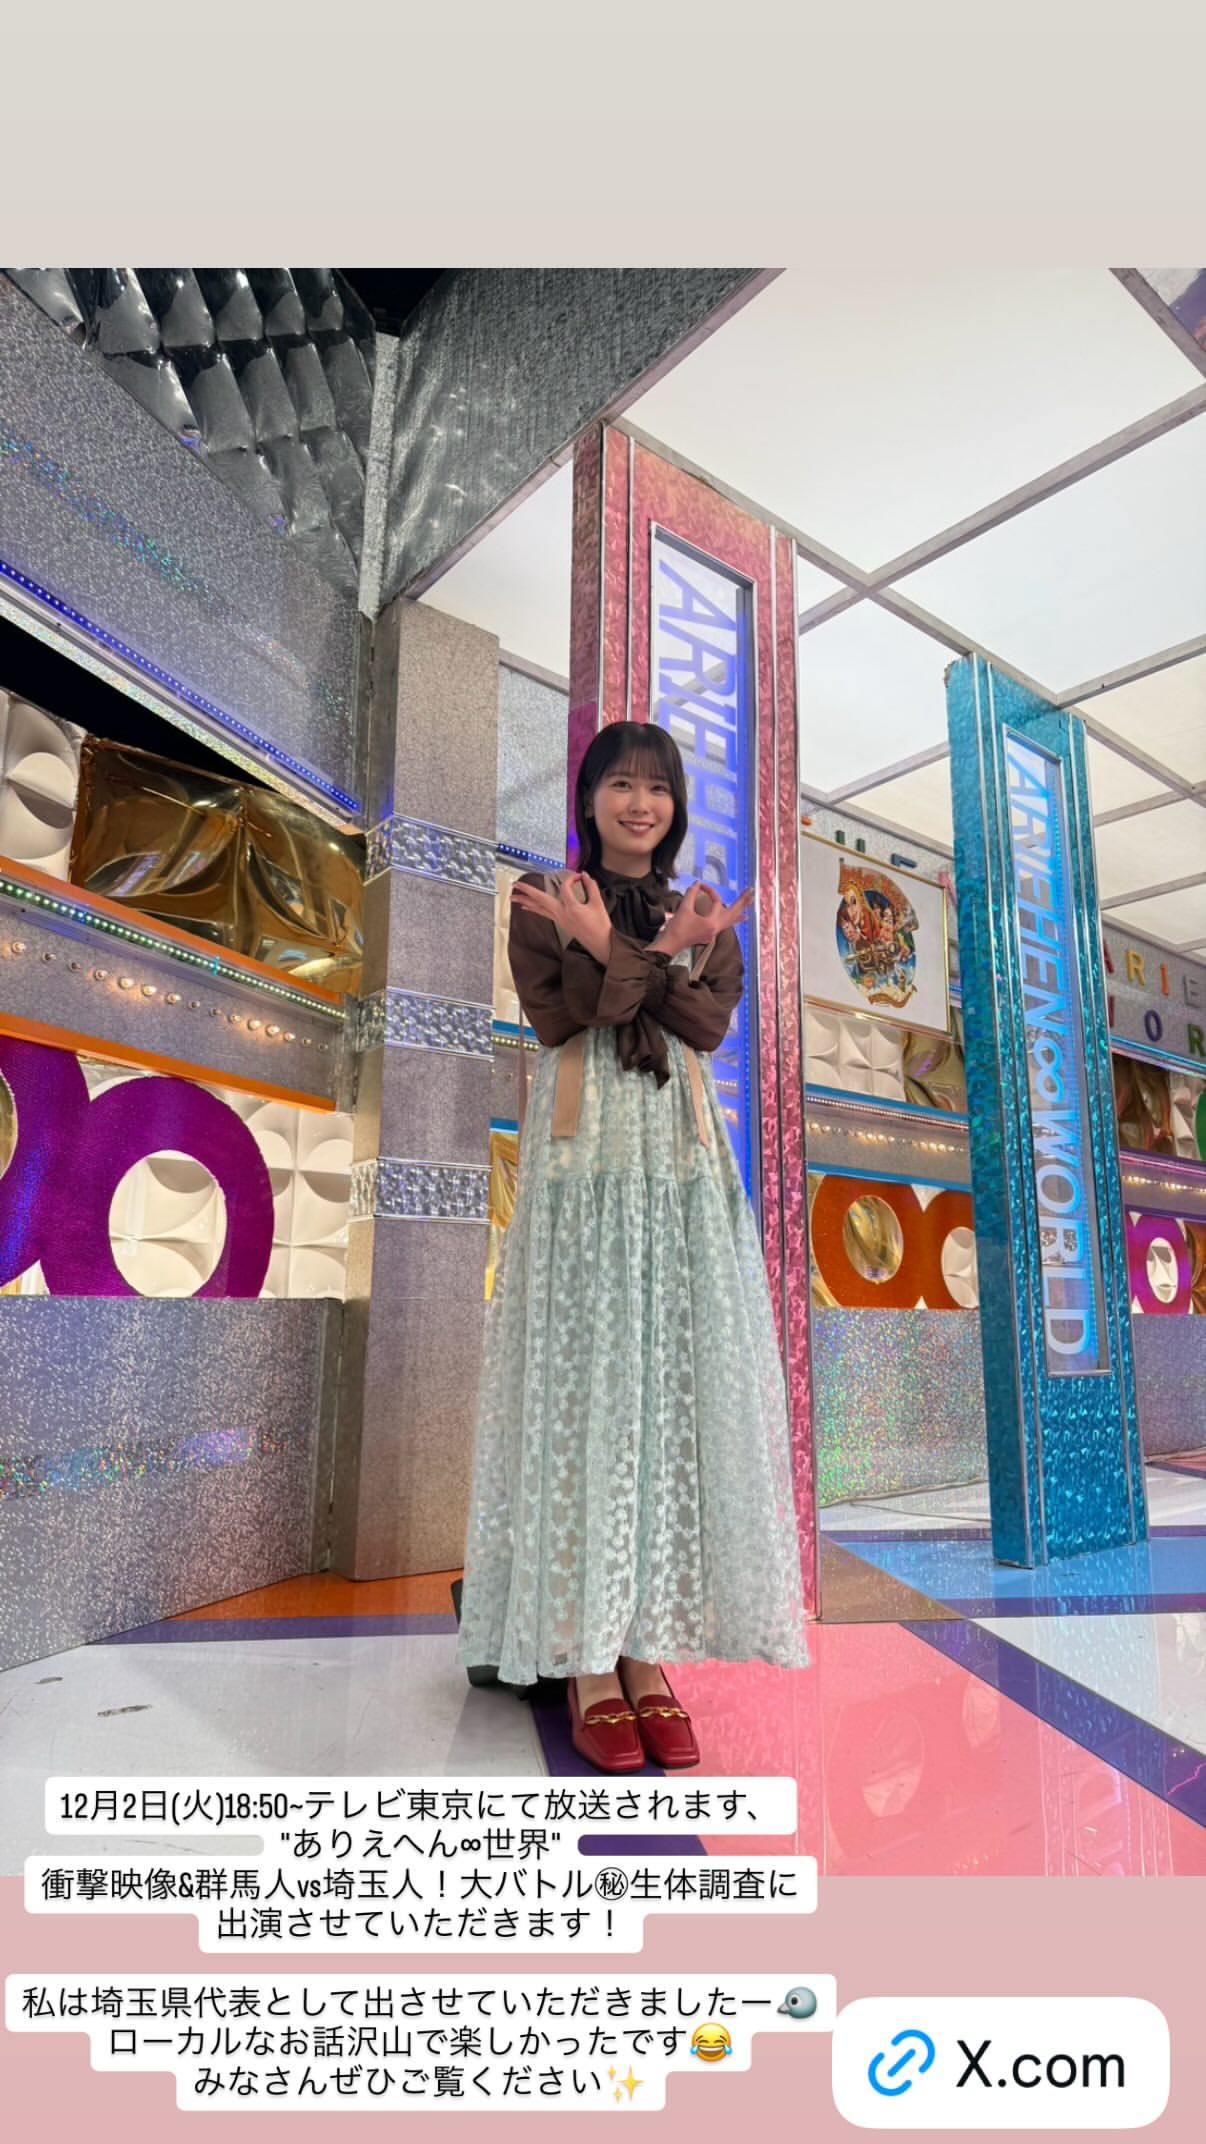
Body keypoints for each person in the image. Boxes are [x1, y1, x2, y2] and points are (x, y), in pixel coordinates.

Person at [454, 721, 809, 1772]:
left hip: (680, 1169)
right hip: (585, 1164)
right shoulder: (543, 896)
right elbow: (564, 1016)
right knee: (584, 1394)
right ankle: (583, 1655)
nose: (639, 803)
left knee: (663, 1398)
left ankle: (645, 1646)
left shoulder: (706, 912)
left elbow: (706, 1027)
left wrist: (617, 950)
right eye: (621, 783)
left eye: (657, 787)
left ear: (676, 805)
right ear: (589, 796)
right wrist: (646, 959)